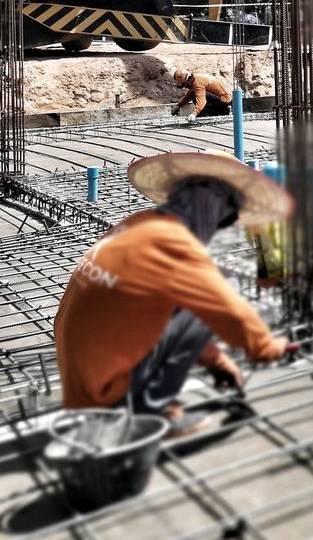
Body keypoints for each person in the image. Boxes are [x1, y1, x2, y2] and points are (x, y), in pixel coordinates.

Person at [54, 153, 294, 436]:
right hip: (106, 392)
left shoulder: (136, 222)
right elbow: (230, 314)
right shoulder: (174, 243)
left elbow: (174, 314)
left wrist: (215, 360)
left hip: (79, 378)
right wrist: (268, 348)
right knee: (225, 285)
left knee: (192, 293)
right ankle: (145, 411)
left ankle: (137, 399)